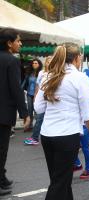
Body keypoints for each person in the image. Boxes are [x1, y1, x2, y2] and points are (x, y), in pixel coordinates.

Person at [34, 43, 89, 200]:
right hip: (67, 135)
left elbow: (38, 108)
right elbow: (88, 114)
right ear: (77, 58)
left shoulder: (48, 76)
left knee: (61, 180)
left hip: (47, 135)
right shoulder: (80, 78)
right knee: (59, 183)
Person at [0, 28, 30, 196]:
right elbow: (16, 89)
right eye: (18, 40)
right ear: (9, 43)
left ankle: (2, 178)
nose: (20, 43)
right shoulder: (11, 61)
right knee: (1, 150)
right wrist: (25, 113)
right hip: (3, 113)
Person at [73, 69, 89, 180]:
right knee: (72, 146)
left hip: (84, 126)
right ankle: (77, 164)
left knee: (85, 148)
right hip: (74, 124)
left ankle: (88, 170)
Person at [24, 56, 52, 145]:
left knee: (43, 118)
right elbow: (38, 86)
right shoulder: (41, 73)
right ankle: (35, 137)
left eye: (51, 62)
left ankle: (36, 138)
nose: (49, 63)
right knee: (39, 117)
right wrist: (36, 96)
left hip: (50, 100)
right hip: (41, 99)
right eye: (48, 62)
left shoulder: (55, 73)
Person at [21, 59, 43, 132]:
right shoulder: (29, 73)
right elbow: (24, 82)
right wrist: (19, 89)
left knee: (37, 110)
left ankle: (38, 127)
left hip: (37, 95)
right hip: (29, 94)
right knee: (30, 110)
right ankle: (30, 125)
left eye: (36, 63)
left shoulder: (41, 73)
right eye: (33, 63)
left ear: (39, 64)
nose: (34, 64)